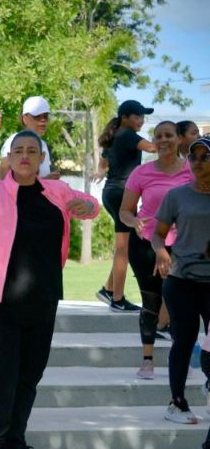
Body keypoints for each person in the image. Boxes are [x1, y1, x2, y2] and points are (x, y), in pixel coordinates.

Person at [0, 130, 100, 449]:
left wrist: (87, 205)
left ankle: (15, 443)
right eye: (19, 150)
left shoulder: (56, 191)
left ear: (42, 158)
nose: (26, 156)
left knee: (29, 375)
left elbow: (93, 208)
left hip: (43, 297)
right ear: (9, 157)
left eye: (33, 150)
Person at [118, 121, 193, 381]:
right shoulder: (142, 172)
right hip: (146, 243)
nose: (163, 140)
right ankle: (147, 361)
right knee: (151, 300)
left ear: (179, 139)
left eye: (168, 135)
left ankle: (181, 359)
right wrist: (134, 221)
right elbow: (125, 211)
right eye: (158, 136)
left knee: (179, 303)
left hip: (182, 246)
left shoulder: (193, 171)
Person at [152, 137, 210, 427]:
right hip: (181, 280)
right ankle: (177, 403)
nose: (197, 163)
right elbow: (158, 233)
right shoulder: (177, 196)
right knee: (184, 341)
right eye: (193, 157)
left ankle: (209, 384)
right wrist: (161, 252)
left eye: (204, 157)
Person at [94, 100, 157, 312]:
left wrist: (100, 173)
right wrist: (171, 140)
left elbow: (104, 163)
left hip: (112, 192)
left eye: (143, 116)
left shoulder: (115, 135)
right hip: (121, 194)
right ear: (125, 117)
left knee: (125, 245)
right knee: (124, 248)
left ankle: (109, 289)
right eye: (138, 116)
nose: (141, 120)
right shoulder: (127, 135)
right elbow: (151, 147)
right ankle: (117, 300)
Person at [0, 96, 59, 179]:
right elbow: (4, 180)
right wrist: (46, 181)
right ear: (25, 119)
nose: (43, 120)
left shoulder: (43, 144)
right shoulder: (14, 141)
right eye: (37, 116)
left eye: (45, 116)